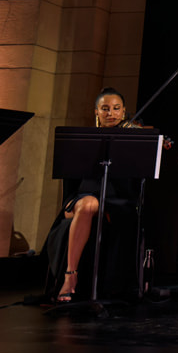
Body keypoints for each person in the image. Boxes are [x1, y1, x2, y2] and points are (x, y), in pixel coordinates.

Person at [45, 87, 139, 302]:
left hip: (118, 202)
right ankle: (71, 275)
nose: (111, 113)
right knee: (86, 204)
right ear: (96, 111)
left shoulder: (132, 140)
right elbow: (70, 182)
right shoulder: (82, 140)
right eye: (105, 108)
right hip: (85, 197)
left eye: (116, 109)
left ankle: (78, 280)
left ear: (124, 112)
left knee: (90, 205)